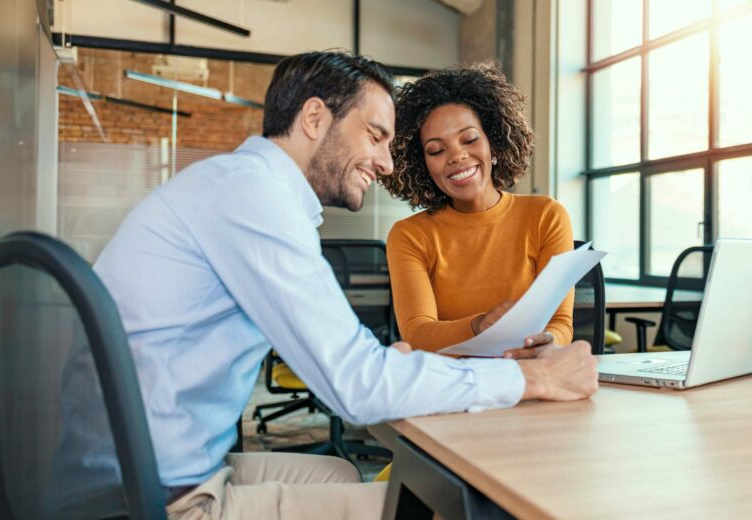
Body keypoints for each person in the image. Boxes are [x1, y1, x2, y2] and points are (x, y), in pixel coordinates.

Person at [93, 51, 598, 520]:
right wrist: (534, 380)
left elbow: (351, 368)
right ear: (315, 119)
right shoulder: (254, 199)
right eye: (376, 136)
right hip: (149, 494)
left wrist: (386, 368)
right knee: (430, 506)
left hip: (152, 462)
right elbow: (356, 385)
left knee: (339, 471)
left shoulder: (240, 186)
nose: (386, 163)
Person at [380, 64, 575, 356]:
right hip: (451, 384)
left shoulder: (546, 215)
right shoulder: (409, 235)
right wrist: (480, 325)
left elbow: (561, 324)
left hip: (528, 374)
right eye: (436, 150)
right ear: (423, 165)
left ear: (493, 144)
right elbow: (418, 334)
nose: (457, 156)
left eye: (469, 139)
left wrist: (546, 342)